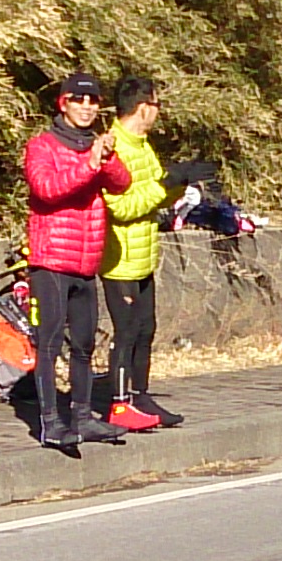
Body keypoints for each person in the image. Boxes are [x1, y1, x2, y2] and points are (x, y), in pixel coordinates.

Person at [22, 73, 131, 449]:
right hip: (51, 261)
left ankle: (83, 417)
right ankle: (51, 423)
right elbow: (47, 189)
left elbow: (122, 183)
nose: (87, 107)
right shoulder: (41, 146)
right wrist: (89, 163)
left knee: (83, 345)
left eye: (93, 101)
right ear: (63, 104)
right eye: (79, 100)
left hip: (86, 264)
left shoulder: (95, 148)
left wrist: (108, 156)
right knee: (49, 345)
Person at [101, 79, 174, 432]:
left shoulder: (144, 146)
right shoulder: (115, 148)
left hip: (145, 256)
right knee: (126, 331)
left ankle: (140, 395)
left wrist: (180, 184)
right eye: (157, 105)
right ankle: (119, 403)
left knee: (146, 329)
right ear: (143, 106)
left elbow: (156, 194)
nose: (159, 113)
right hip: (119, 260)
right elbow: (120, 207)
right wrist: (163, 186)